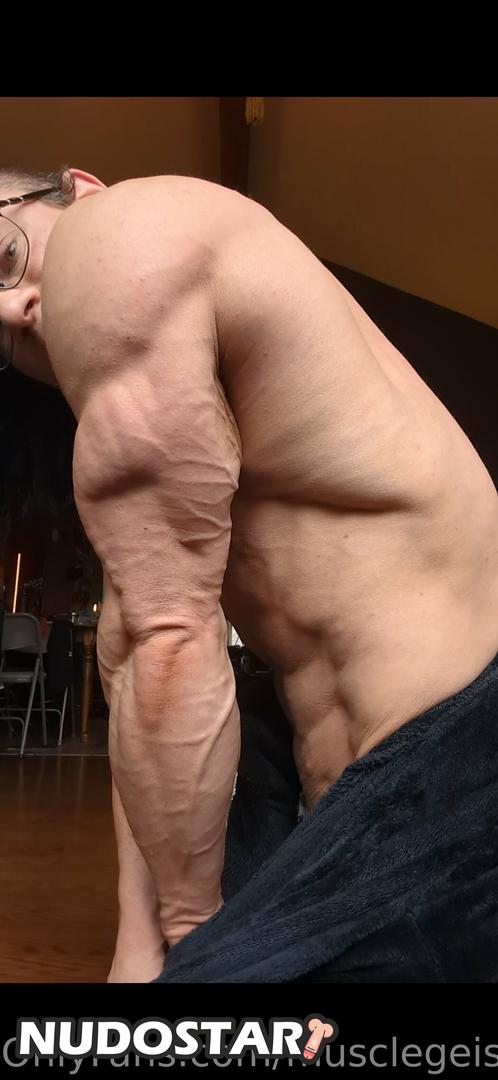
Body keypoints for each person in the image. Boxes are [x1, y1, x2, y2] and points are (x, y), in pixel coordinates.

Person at [0, 165, 497, 983]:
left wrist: (192, 934)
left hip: (454, 756)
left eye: (6, 257)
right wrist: (139, 939)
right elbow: (131, 656)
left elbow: (167, 637)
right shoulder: (149, 377)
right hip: (326, 773)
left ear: (79, 188)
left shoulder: (119, 230)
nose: (14, 312)